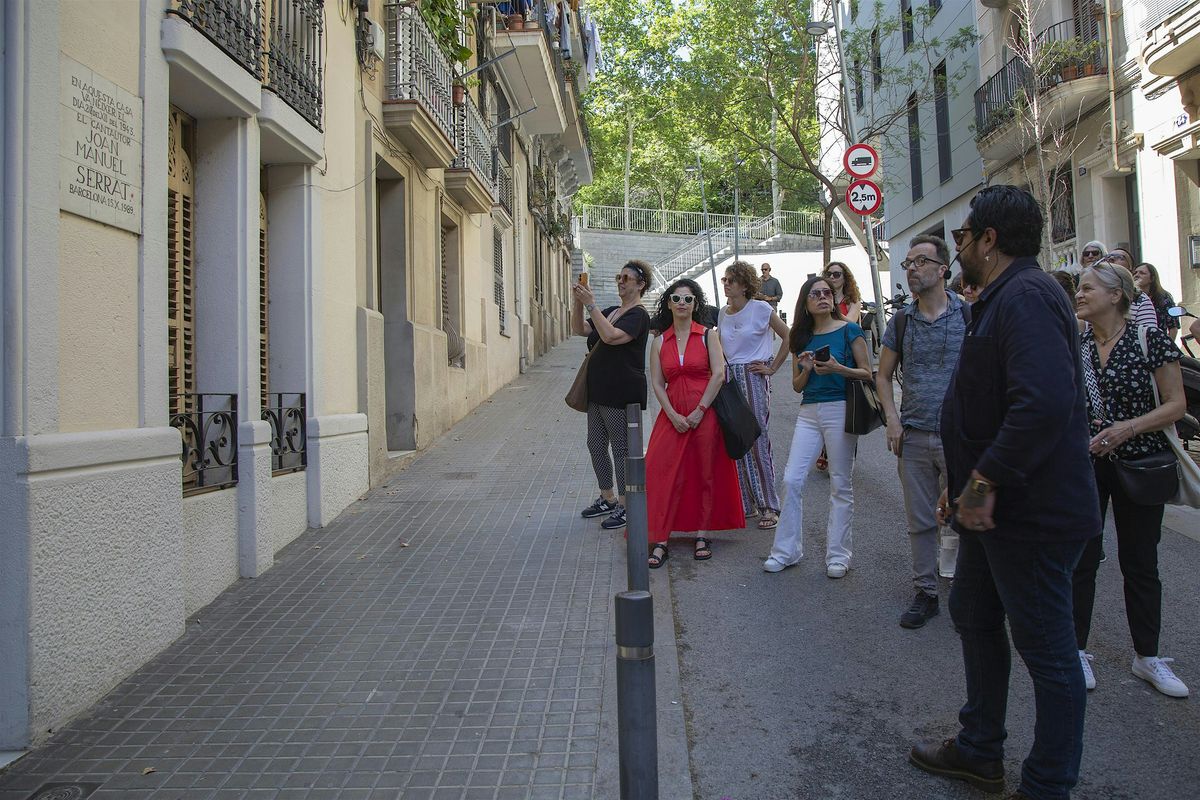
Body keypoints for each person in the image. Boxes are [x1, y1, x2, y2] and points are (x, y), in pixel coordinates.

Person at [909, 186, 1101, 800]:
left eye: (963, 237)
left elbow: (1043, 405)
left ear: (989, 241)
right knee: (973, 614)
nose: (958, 247)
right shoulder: (1001, 297)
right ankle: (979, 750)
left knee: (1048, 652)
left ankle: (1047, 785)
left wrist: (984, 481)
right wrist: (964, 488)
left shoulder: (1026, 297)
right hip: (990, 513)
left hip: (1031, 516)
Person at [1072, 262, 1188, 697]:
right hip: (1087, 465)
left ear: (1116, 295)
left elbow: (1175, 405)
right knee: (1082, 559)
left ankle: (1148, 657)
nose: (1079, 295)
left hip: (1140, 464)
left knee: (1141, 563)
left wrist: (1128, 428)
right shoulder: (1078, 343)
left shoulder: (1148, 339)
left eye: (1087, 288)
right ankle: (1077, 651)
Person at [876, 235, 969, 629]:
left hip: (960, 438)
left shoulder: (969, 316)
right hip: (913, 434)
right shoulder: (901, 321)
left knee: (965, 515)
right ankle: (926, 592)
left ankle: (970, 591)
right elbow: (881, 376)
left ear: (942, 269)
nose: (912, 269)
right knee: (920, 520)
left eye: (920, 262)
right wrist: (892, 419)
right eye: (908, 264)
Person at [762, 275, 872, 578]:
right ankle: (786, 550)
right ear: (806, 303)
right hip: (808, 412)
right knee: (792, 479)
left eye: (827, 292)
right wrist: (808, 369)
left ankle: (839, 555)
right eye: (815, 294)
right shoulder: (801, 336)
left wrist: (838, 368)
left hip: (840, 409)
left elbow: (867, 373)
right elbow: (797, 386)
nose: (823, 297)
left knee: (840, 482)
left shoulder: (851, 330)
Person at [645, 279, 745, 566]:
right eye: (676, 298)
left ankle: (702, 534)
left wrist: (700, 410)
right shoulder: (659, 341)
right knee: (662, 472)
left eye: (688, 299)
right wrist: (673, 415)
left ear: (695, 304)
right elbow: (657, 382)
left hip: (705, 414)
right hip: (672, 414)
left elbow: (718, 375)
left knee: (705, 473)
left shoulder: (708, 335)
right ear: (668, 303)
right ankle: (660, 537)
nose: (682, 304)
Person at [571, 261, 652, 531]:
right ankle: (606, 497)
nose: (621, 281)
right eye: (619, 276)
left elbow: (610, 337)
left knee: (620, 450)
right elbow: (580, 330)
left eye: (627, 278)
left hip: (620, 392)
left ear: (640, 284)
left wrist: (592, 304)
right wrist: (579, 302)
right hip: (598, 391)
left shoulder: (639, 315)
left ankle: (626, 505)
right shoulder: (613, 311)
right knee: (595, 445)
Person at [718, 261, 791, 529]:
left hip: (753, 376)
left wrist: (772, 368)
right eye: (724, 279)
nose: (726, 284)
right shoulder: (723, 314)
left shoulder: (760, 308)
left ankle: (769, 505)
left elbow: (788, 336)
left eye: (731, 280)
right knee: (735, 439)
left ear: (745, 285)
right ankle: (745, 503)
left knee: (757, 439)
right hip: (729, 379)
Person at [1103, 248, 1158, 330]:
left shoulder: (1140, 299)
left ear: (1130, 269)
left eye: (1120, 257)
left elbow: (1149, 337)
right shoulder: (1096, 295)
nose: (1111, 259)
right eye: (1108, 257)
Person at [1132, 261, 1180, 342]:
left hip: (1158, 344)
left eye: (1142, 273)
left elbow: (1173, 327)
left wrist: (1168, 347)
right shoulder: (1130, 297)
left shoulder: (1164, 298)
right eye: (1135, 273)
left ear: (1152, 278)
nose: (1137, 275)